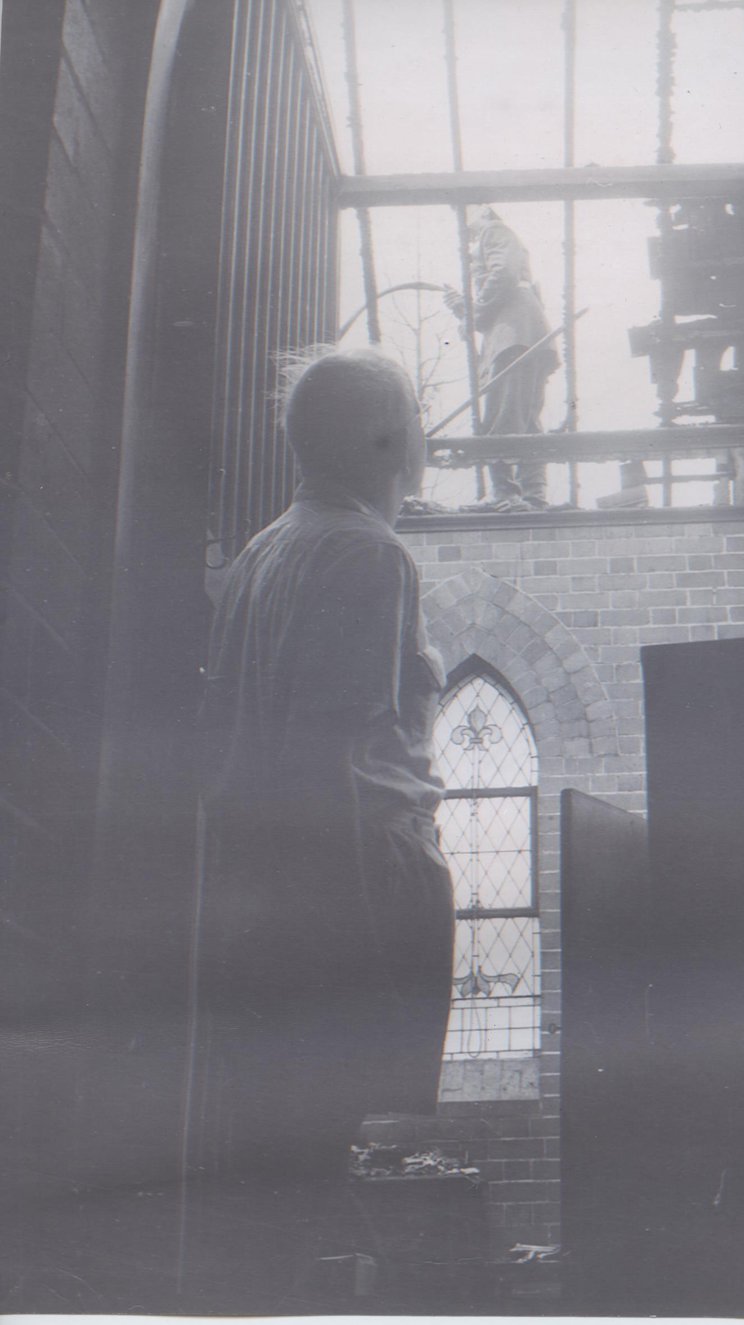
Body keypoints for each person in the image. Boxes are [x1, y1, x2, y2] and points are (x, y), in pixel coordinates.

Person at [189, 347, 455, 1312]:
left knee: (286, 1163)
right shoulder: (366, 554)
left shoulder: (270, 547)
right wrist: (353, 959)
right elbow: (335, 761)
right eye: (413, 418)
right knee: (305, 1162)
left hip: (264, 899)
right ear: (388, 439)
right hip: (339, 896)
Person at [446, 206, 558, 510]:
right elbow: (498, 292)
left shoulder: (492, 231)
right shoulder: (493, 237)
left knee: (503, 415)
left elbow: (503, 275)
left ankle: (504, 493)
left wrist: (474, 311)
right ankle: (532, 495)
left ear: (480, 211)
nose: (464, 232)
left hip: (514, 336)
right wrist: (466, 310)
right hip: (523, 333)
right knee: (525, 417)